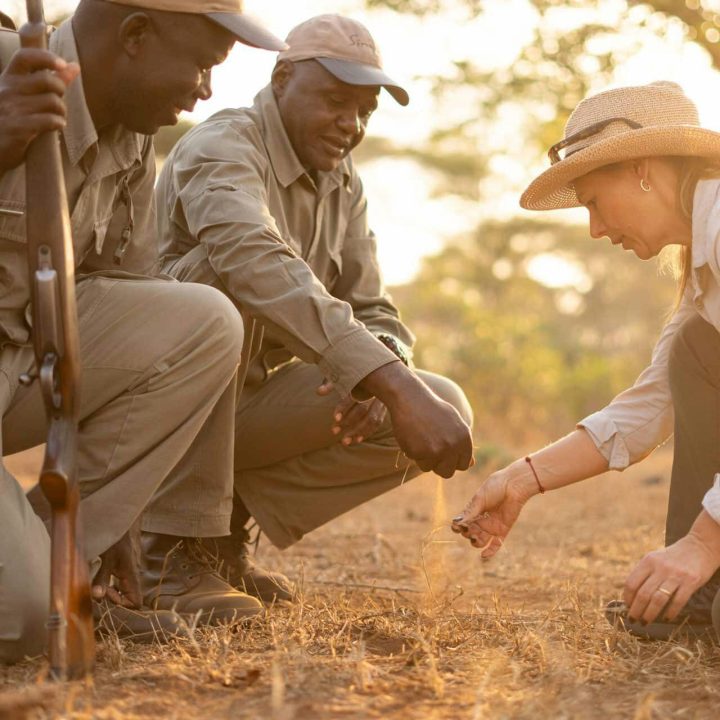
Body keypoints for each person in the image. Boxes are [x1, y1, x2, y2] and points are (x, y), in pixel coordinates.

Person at [0, 0, 285, 663]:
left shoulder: (129, 142)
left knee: (204, 320)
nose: (206, 90)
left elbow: (120, 318)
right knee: (21, 616)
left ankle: (57, 564)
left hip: (17, 374)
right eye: (202, 64)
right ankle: (33, 582)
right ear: (134, 35)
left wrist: (116, 526)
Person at [154, 14, 474, 602]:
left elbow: (373, 306)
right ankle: (164, 546)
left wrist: (384, 364)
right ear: (281, 79)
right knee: (226, 276)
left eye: (365, 111)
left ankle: (219, 536)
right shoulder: (224, 143)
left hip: (240, 409)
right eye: (334, 100)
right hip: (157, 414)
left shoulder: (344, 181)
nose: (350, 125)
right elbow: (251, 258)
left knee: (442, 401)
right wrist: (389, 382)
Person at [453, 80, 720, 641]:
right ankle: (700, 596)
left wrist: (701, 545)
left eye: (594, 202)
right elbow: (649, 406)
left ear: (641, 168)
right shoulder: (703, 266)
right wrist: (523, 478)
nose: (596, 229)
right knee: (695, 347)